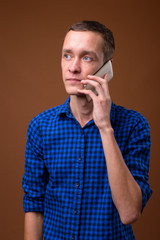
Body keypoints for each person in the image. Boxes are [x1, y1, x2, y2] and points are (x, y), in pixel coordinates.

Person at [22, 20, 152, 240]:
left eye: (87, 57)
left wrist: (104, 127)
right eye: (67, 55)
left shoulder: (134, 125)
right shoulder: (40, 126)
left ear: (107, 69)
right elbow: (33, 207)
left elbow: (130, 212)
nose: (73, 67)